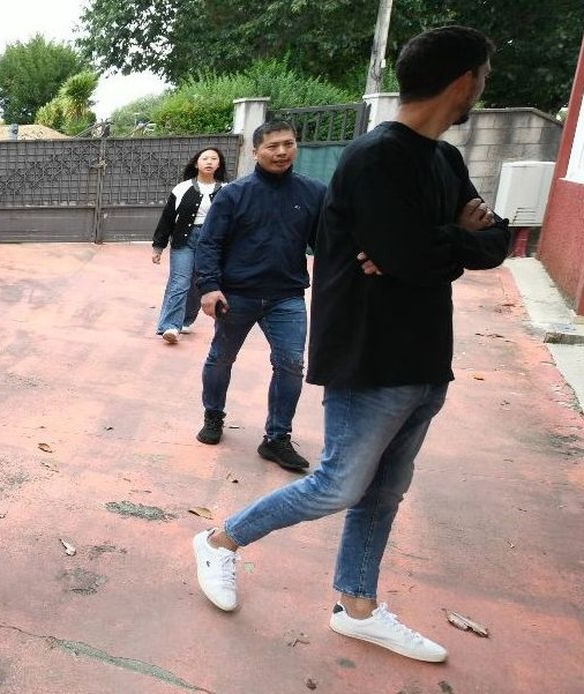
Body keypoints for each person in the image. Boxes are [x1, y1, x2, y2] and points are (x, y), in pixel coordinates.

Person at [192, 26, 509, 663]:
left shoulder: (444, 160)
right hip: (369, 353)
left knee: (386, 491)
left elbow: (487, 242)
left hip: (426, 353)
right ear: (463, 81)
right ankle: (220, 542)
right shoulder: (373, 158)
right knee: (337, 484)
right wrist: (445, 241)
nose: (483, 87)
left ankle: (357, 607)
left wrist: (439, 244)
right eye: (483, 76)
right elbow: (414, 253)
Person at [193, 121, 326, 472]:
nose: (281, 152)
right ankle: (213, 415)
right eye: (272, 146)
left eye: (288, 144)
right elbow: (209, 242)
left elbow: (329, 242)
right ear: (256, 152)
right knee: (221, 358)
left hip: (287, 296)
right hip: (237, 295)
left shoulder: (313, 193)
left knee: (291, 364)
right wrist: (209, 287)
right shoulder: (235, 194)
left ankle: (277, 438)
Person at [151, 147, 227, 344]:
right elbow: (167, 219)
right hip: (184, 240)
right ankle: (170, 326)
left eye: (213, 159)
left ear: (219, 164)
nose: (209, 162)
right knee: (180, 281)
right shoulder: (181, 188)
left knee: (197, 283)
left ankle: (186, 319)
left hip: (212, 243)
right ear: (196, 163)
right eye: (205, 158)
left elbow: (234, 221)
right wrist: (158, 247)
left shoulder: (227, 191)